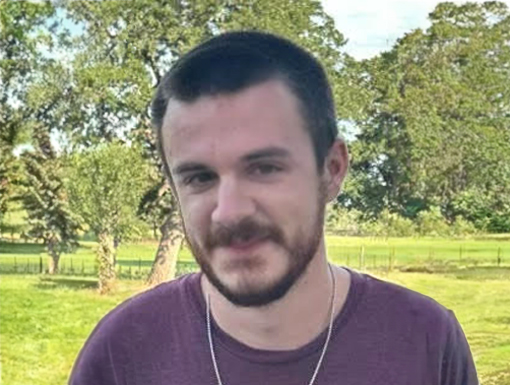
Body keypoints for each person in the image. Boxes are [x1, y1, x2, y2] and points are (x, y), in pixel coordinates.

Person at [69, 31, 478, 385]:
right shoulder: (123, 353)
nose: (229, 212)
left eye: (264, 168)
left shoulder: (426, 341)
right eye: (199, 178)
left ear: (332, 170)